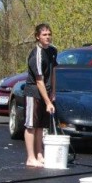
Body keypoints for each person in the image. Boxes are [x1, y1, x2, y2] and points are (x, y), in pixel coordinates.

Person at [24, 23, 58, 167]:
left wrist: (53, 93)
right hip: (34, 93)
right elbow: (39, 80)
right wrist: (47, 101)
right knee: (31, 125)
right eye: (44, 35)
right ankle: (30, 157)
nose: (47, 37)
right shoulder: (36, 54)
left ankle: (39, 154)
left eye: (49, 34)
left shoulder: (52, 50)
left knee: (41, 126)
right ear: (37, 37)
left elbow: (53, 72)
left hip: (47, 92)